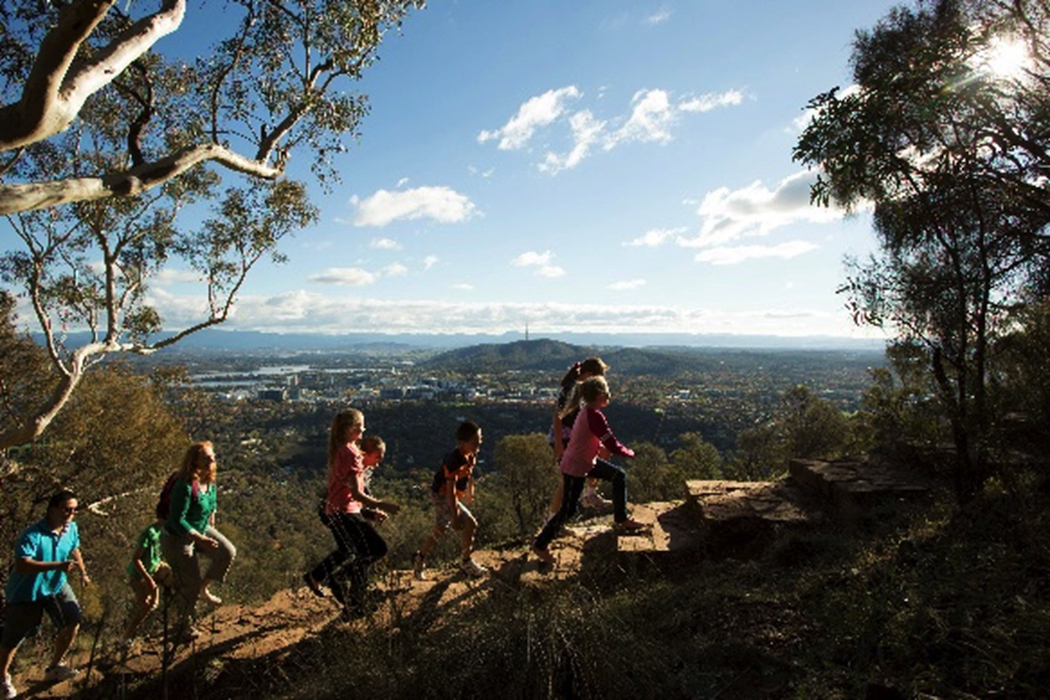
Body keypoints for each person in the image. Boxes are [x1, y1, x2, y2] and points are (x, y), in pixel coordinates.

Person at [532, 377, 647, 565]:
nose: (610, 395)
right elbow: (612, 443)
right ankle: (540, 544)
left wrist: (600, 446)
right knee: (569, 510)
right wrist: (630, 453)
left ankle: (622, 519)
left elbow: (591, 437)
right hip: (576, 466)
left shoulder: (587, 412)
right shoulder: (594, 415)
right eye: (607, 391)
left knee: (619, 476)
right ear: (601, 394)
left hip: (585, 461)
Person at [304, 410, 400, 619]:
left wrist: (371, 512)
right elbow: (356, 492)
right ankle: (343, 586)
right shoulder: (351, 453)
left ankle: (343, 592)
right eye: (360, 426)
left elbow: (350, 492)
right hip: (344, 512)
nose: (363, 430)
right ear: (351, 429)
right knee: (375, 549)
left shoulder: (342, 450)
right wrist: (381, 504)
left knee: (351, 551)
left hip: (338, 511)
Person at [1, 490, 91, 699]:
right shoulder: (32, 534)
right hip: (27, 591)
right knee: (14, 638)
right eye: (67, 509)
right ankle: (2, 677)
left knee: (73, 620)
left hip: (56, 584)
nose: (71, 513)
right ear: (52, 510)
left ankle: (54, 667)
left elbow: (75, 548)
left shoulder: (71, 529)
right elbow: (22, 565)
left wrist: (83, 573)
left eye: (74, 510)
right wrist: (58, 565)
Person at [160, 441, 237, 641]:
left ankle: (204, 588)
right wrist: (200, 538)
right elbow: (177, 520)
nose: (212, 460)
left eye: (212, 456)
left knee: (227, 552)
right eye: (206, 457)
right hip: (178, 538)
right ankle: (182, 626)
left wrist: (211, 519)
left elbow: (212, 504)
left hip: (202, 530)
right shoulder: (184, 485)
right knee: (189, 584)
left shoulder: (209, 481)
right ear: (194, 462)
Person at [412, 421, 488, 580]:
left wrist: (470, 490)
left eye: (480, 440)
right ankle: (466, 562)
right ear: (462, 443)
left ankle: (419, 558)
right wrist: (455, 516)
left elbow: (469, 473)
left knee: (440, 528)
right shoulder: (453, 460)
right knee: (470, 523)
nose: (479, 444)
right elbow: (450, 491)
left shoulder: (470, 453)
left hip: (446, 494)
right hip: (441, 494)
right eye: (475, 441)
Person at [547, 358, 612, 521]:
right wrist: (559, 444)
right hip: (565, 437)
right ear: (589, 374)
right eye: (598, 377)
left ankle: (589, 494)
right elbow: (558, 416)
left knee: (600, 456)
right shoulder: (573, 388)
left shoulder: (581, 387)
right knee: (567, 482)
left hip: (576, 436)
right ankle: (551, 521)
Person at [121, 519, 173, 643]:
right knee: (148, 605)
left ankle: (181, 621)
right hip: (139, 576)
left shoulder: (165, 530)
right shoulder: (149, 533)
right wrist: (149, 580)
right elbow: (136, 559)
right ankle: (126, 635)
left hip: (156, 567)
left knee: (177, 579)